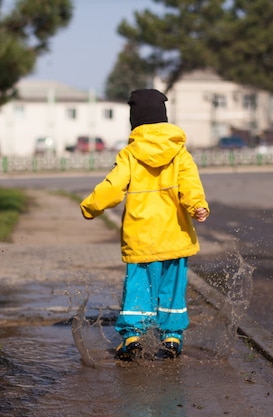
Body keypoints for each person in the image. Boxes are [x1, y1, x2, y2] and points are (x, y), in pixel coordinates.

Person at [80, 89, 209, 361]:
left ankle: (133, 336)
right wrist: (197, 206)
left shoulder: (130, 154)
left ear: (134, 120)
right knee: (173, 288)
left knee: (139, 286)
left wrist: (90, 206)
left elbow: (112, 188)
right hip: (176, 236)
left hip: (141, 237)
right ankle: (172, 337)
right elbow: (190, 186)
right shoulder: (180, 154)